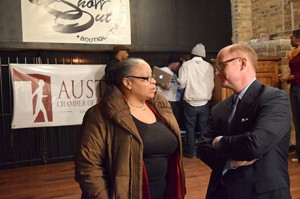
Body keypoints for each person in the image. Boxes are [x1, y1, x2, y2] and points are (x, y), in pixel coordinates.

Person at [75, 58, 186, 199]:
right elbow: (88, 167)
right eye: (146, 78)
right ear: (127, 82)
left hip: (166, 191)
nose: (153, 81)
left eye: (152, 76)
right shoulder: (99, 114)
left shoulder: (160, 107)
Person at [198, 44, 291, 199]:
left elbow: (254, 144)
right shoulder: (219, 108)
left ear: (242, 63)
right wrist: (229, 163)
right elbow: (202, 148)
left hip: (260, 193)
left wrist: (219, 142)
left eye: (221, 65)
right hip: (222, 190)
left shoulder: (275, 99)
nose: (217, 72)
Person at [177, 43, 215, 158]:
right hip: (205, 101)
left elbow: (181, 83)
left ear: (193, 53)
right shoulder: (209, 66)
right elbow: (211, 84)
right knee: (204, 128)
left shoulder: (187, 65)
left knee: (190, 127)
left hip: (190, 101)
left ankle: (192, 152)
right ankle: (203, 152)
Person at [279, 29, 300, 163]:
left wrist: (290, 76)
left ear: (298, 38)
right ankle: (299, 152)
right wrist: (286, 77)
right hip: (295, 87)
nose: (290, 40)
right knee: (297, 121)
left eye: (292, 37)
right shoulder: (294, 54)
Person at [157, 54, 183, 128]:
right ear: (174, 63)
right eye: (178, 64)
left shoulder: (174, 74)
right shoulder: (162, 70)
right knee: (167, 122)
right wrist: (165, 85)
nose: (179, 67)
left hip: (175, 101)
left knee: (175, 122)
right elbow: (161, 84)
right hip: (167, 100)